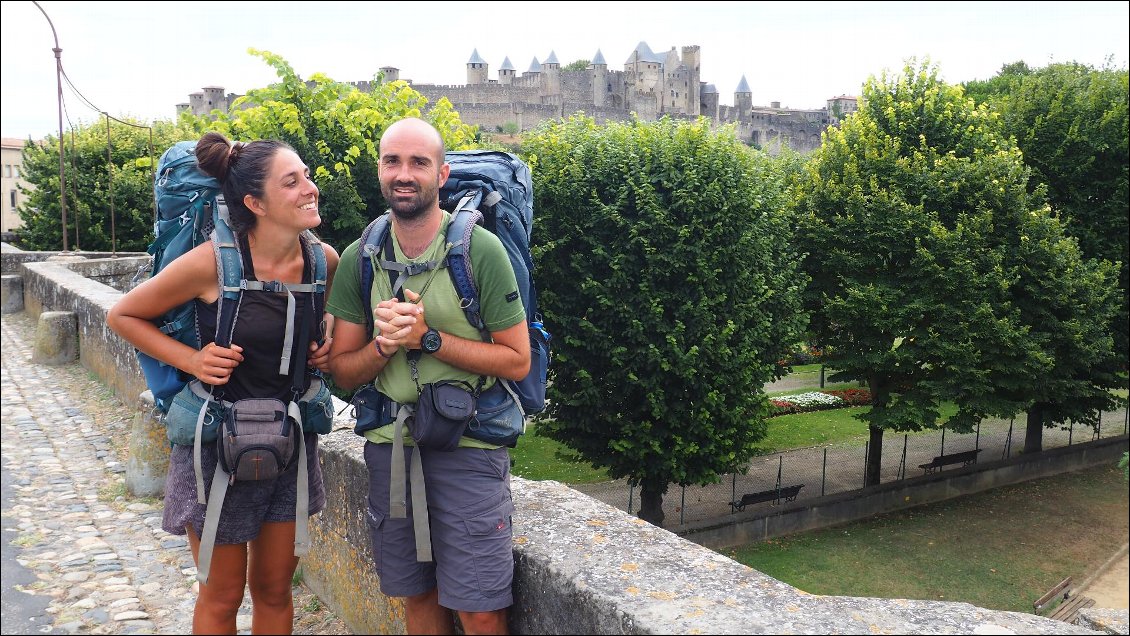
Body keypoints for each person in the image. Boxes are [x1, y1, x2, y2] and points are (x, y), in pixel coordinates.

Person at [107, 131, 340, 634]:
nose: (310, 188)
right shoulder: (214, 262)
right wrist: (192, 360)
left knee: (276, 591)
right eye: (292, 181)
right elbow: (124, 315)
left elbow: (322, 331)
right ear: (255, 202)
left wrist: (324, 342)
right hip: (215, 446)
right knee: (222, 595)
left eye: (307, 176)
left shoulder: (324, 262)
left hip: (290, 441)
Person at [326, 117, 529, 635]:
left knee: (480, 607)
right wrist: (383, 346)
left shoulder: (480, 251)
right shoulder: (360, 259)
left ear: (442, 174)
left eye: (419, 162)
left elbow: (516, 360)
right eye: (393, 161)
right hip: (390, 448)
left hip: (469, 447)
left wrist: (429, 339)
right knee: (417, 596)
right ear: (379, 170)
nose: (404, 173)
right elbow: (343, 374)